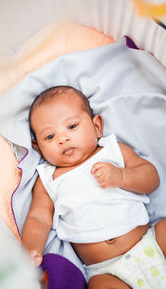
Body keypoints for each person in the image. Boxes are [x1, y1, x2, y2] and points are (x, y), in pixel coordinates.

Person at [22, 86, 166, 289]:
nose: (63, 139)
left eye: (71, 126)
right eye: (50, 137)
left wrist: (121, 176)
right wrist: (31, 248)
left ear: (97, 126)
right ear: (38, 147)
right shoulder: (48, 179)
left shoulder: (114, 151)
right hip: (107, 272)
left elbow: (151, 178)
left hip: (150, 242)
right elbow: (38, 217)